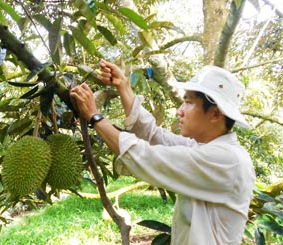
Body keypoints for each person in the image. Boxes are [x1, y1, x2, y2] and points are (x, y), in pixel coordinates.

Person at [70, 60, 256, 245]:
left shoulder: (227, 160)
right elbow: (154, 136)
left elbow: (147, 157)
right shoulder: (205, 149)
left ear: (215, 114)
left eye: (188, 102)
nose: (179, 111)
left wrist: (95, 117)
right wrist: (123, 86)